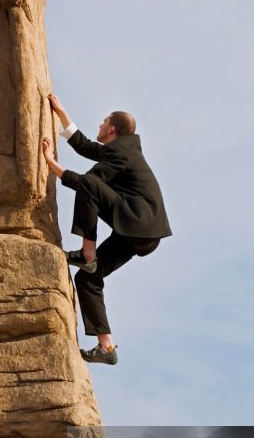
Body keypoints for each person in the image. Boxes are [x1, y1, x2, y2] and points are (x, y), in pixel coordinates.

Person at [43, 93, 171, 364]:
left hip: (137, 223)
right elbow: (88, 148)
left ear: (112, 129)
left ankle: (87, 253)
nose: (99, 127)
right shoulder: (122, 149)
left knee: (89, 184)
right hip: (140, 233)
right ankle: (106, 347)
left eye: (103, 123)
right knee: (88, 279)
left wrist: (52, 165)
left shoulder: (121, 152)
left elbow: (88, 184)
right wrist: (62, 113)